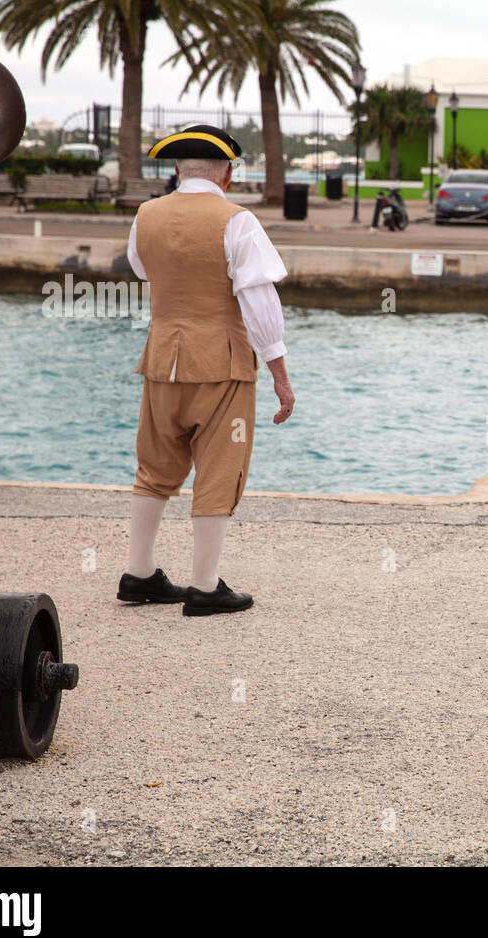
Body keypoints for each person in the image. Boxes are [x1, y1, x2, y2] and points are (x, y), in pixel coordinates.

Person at [116, 125, 296, 616]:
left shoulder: (146, 215)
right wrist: (280, 374)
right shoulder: (236, 220)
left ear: (178, 170)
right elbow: (258, 301)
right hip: (222, 363)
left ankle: (139, 574)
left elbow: (140, 268)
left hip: (160, 362)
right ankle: (204, 585)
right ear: (229, 174)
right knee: (219, 471)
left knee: (153, 469)